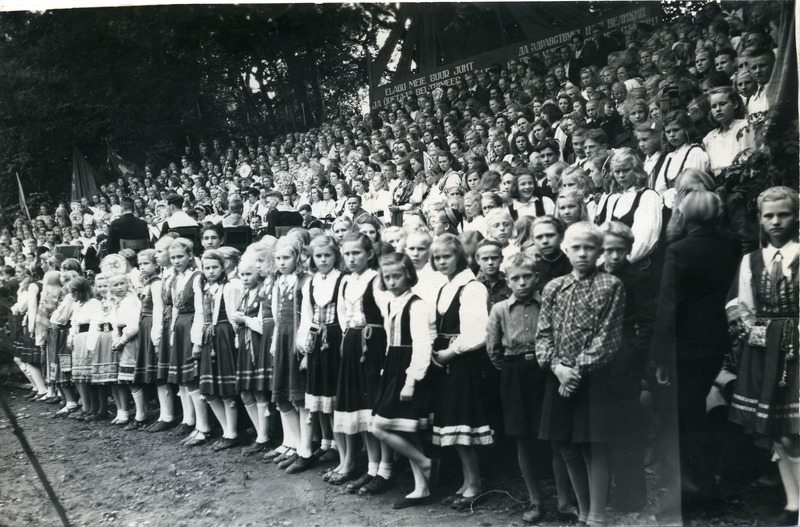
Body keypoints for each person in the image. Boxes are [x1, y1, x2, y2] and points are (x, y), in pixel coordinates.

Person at [651, 191, 741, 521]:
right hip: (714, 342)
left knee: (683, 420)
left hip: (684, 348)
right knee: (697, 416)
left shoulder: (679, 250)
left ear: (686, 216)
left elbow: (668, 307)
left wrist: (660, 357)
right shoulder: (730, 244)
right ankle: (703, 487)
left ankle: (695, 490)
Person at [536, 221, 626, 527]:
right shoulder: (554, 287)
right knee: (565, 445)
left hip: (593, 379)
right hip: (558, 375)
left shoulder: (610, 286)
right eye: (576, 248)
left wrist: (576, 371)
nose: (583, 253)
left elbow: (608, 337)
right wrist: (558, 368)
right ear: (565, 248)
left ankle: (598, 516)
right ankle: (584, 510)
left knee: (593, 445)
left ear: (600, 251)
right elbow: (543, 335)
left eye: (590, 247)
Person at [729, 187, 799, 527]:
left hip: (797, 350)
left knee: (795, 431)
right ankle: (792, 503)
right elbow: (745, 308)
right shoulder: (751, 261)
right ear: (760, 219)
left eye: (783, 214)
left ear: (796, 216)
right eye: (768, 215)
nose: (775, 221)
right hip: (767, 349)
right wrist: (758, 338)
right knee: (777, 431)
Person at [429, 234, 499, 511]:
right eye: (437, 258)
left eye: (446, 256)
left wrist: (450, 353)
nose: (441, 261)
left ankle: (476, 484)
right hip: (447, 362)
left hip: (464, 362)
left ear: (459, 256)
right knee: (454, 425)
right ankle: (467, 482)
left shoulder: (471, 287)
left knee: (464, 425)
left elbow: (477, 332)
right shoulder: (445, 286)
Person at [486, 253, 549, 524]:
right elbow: (493, 348)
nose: (522, 283)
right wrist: (511, 369)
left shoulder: (547, 303)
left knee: (553, 433)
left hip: (545, 369)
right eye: (515, 278)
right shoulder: (500, 309)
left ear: (537, 278)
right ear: (508, 281)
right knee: (523, 436)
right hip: (514, 373)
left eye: (527, 277)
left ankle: (566, 498)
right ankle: (536, 500)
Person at [370, 252, 436, 510]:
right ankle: (422, 487)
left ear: (409, 275)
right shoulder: (390, 303)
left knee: (381, 427)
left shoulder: (417, 305)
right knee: (403, 428)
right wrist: (387, 371)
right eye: (387, 277)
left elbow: (422, 345)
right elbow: (390, 341)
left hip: (409, 368)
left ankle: (424, 463)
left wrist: (411, 379)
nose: (392, 281)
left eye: (397, 275)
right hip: (393, 367)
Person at [600, 222, 656, 513]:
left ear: (629, 250)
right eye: (607, 251)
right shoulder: (598, 276)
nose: (613, 257)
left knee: (626, 427)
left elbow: (648, 323)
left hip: (625, 355)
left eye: (619, 251)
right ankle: (605, 492)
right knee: (604, 425)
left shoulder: (637, 278)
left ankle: (632, 494)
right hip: (600, 356)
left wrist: (633, 353)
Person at [331, 233, 391, 492]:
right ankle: (371, 467)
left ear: (369, 254)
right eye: (347, 254)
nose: (352, 258)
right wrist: (348, 338)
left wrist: (387, 354)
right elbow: (342, 315)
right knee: (360, 408)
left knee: (375, 407)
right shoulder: (345, 280)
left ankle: (386, 469)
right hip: (354, 343)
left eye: (357, 253)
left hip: (374, 343)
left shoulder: (376, 280)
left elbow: (388, 318)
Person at [297, 236, 345, 467]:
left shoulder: (341, 280)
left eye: (327, 255)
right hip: (317, 339)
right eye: (319, 256)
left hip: (335, 338)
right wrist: (305, 347)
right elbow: (307, 316)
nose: (323, 260)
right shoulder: (311, 282)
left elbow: (344, 317)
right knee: (320, 395)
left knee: (334, 395)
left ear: (336, 256)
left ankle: (339, 446)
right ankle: (326, 442)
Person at [230, 252, 269, 454]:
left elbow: (263, 326)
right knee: (246, 392)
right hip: (245, 346)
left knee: (259, 390)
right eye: (241, 274)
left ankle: (264, 436)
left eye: (248, 274)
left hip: (258, 345)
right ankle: (258, 431)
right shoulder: (246, 293)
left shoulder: (262, 292)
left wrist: (244, 320)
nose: (244, 278)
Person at [129, 249, 162, 430]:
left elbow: (158, 309)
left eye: (146, 263)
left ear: (156, 265)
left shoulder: (156, 284)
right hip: (144, 324)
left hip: (151, 325)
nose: (142, 267)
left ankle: (164, 412)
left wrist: (155, 336)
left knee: (156, 371)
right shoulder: (145, 283)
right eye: (140, 264)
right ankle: (148, 412)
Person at [702, 86, 755, 175]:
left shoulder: (745, 127)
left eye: (722, 104)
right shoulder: (709, 138)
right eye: (714, 106)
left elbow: (749, 160)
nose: (718, 109)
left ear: (735, 104)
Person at [474, 239, 512, 310]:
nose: (490, 262)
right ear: (477, 260)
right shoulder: (474, 286)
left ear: (501, 258)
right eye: (485, 259)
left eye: (494, 258)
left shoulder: (511, 283)